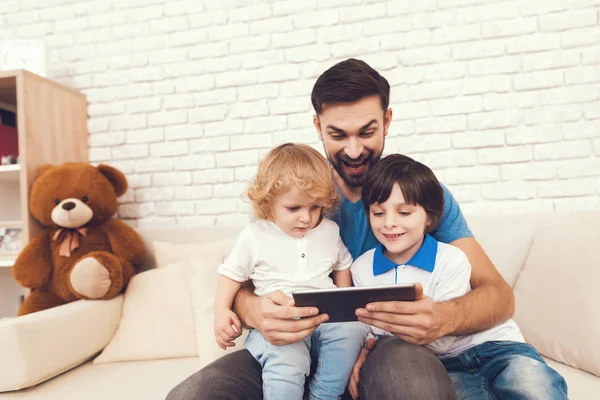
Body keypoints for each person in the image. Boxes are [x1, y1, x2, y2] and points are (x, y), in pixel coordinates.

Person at [167, 58, 516, 400]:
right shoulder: (287, 193)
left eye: (367, 132)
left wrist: (444, 317)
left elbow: (499, 295)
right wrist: (253, 311)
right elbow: (241, 284)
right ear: (318, 127)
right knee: (192, 395)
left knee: (413, 387)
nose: (353, 150)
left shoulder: (419, 194)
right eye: (338, 134)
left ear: (387, 121)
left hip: (379, 347)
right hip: (284, 346)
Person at [349, 153, 567, 399]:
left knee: (532, 386)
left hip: (497, 349)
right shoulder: (361, 269)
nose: (389, 223)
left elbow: (440, 338)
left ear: (429, 218)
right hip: (447, 364)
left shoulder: (451, 259)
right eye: (378, 213)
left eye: (404, 213)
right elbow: (367, 330)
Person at [213, 143, 368, 400]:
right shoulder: (255, 235)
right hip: (279, 323)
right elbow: (231, 275)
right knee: (288, 361)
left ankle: (323, 396)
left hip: (325, 318)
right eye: (294, 208)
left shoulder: (328, 231)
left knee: (353, 330)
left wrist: (344, 303)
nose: (306, 218)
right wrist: (221, 312)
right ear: (269, 202)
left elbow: (343, 264)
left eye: (315, 207)